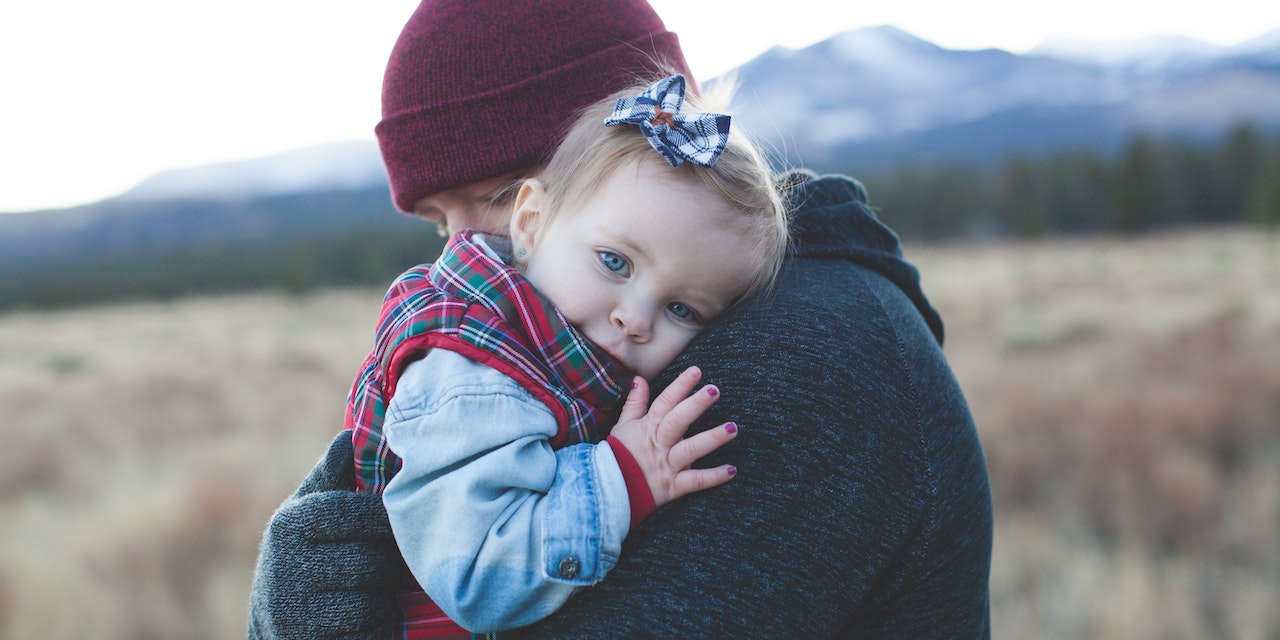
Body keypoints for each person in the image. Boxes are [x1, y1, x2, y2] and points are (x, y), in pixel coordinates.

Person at [247, 1, 993, 638]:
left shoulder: (801, 359)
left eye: (501, 193)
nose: (465, 252)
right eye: (441, 223)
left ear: (648, 140)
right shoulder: (584, 346)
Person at [346, 73, 788, 636]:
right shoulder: (472, 373)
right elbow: (478, 576)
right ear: (531, 223)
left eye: (682, 309)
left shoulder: (557, 350)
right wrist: (622, 477)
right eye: (615, 262)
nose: (636, 319)